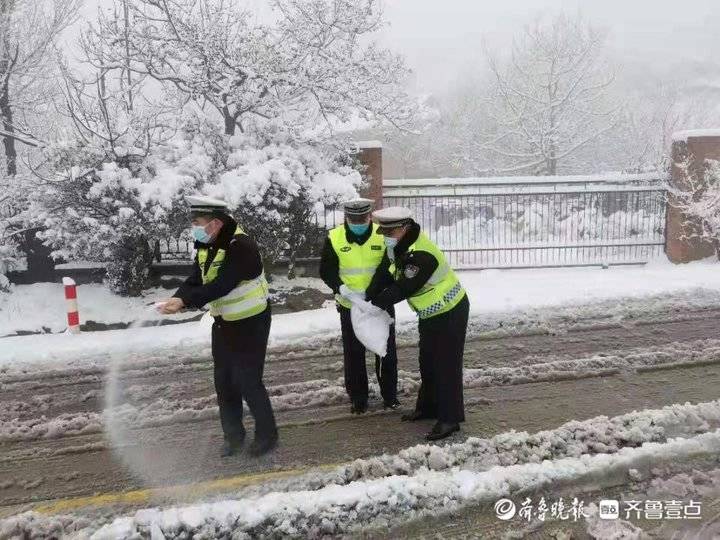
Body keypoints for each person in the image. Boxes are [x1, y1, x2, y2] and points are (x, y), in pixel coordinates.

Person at [158, 195, 278, 457]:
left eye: (197, 222)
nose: (194, 228)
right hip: (224, 322)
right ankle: (233, 437)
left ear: (215, 223)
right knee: (224, 381)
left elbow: (222, 284)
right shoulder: (207, 243)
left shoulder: (242, 246)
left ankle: (267, 435)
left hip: (251, 322)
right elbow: (197, 278)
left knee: (247, 380)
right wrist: (179, 297)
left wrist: (185, 302)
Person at [366, 206, 469, 441]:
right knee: (428, 361)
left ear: (404, 228)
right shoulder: (397, 245)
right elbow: (384, 272)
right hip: (430, 313)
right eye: (383, 232)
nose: (384, 237)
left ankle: (450, 419)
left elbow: (403, 287)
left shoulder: (421, 255)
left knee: (446, 365)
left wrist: (373, 306)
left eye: (389, 233)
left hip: (450, 311)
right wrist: (368, 294)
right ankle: (428, 407)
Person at [319, 198, 400, 414]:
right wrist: (340, 287)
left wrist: (373, 293)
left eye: (362, 219)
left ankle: (390, 396)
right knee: (354, 354)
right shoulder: (334, 238)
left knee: (385, 351)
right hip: (350, 305)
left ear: (369, 216)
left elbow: (388, 266)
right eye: (354, 219)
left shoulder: (382, 234)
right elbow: (326, 271)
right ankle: (358, 398)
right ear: (347, 218)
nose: (358, 222)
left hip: (379, 304)